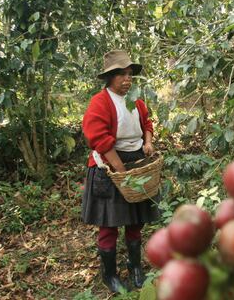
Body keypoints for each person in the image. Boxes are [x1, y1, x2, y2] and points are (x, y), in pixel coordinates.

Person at [81, 50, 158, 293]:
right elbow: (100, 140)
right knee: (110, 222)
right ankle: (110, 274)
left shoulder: (136, 100)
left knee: (135, 217)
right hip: (110, 164)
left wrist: (148, 142)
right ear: (110, 77)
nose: (128, 79)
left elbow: (147, 123)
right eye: (121, 75)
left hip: (135, 162)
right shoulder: (100, 102)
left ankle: (135, 266)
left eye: (129, 74)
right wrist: (121, 171)